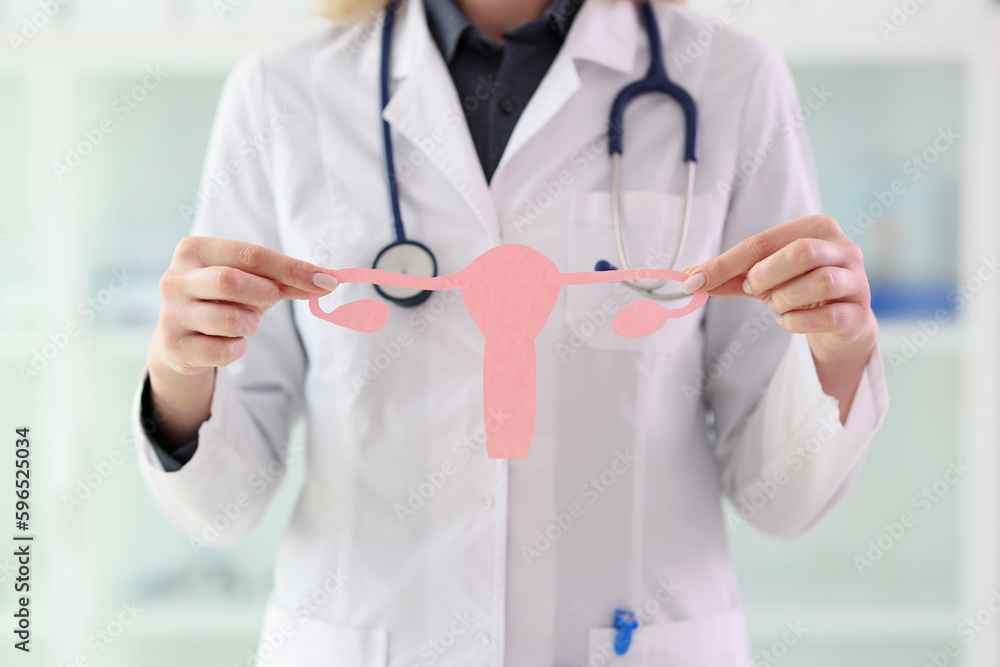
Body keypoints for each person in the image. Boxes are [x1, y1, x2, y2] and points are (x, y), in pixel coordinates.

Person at [132, 0, 889, 664]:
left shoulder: (731, 80)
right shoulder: (280, 95)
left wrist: (837, 353)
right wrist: (180, 372)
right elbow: (223, 505)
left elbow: (781, 497)